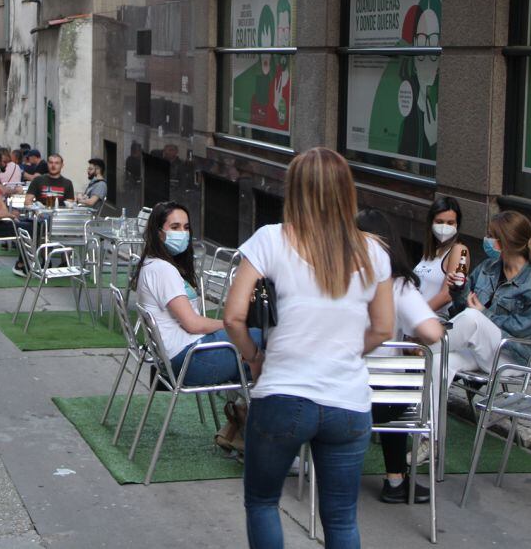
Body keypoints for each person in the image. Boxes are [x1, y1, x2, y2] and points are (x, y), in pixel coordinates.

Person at [223, 148, 394, 549]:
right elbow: (384, 328)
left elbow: (232, 318)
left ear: (294, 190)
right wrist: (346, 349)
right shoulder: (373, 251)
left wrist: (254, 358)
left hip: (283, 393)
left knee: (263, 502)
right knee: (341, 519)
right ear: (346, 191)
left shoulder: (270, 239)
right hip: (348, 402)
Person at [356, 209, 444, 505]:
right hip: (385, 401)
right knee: (396, 384)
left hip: (337, 393)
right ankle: (396, 480)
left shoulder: (335, 281)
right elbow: (433, 333)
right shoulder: (399, 285)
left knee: (386, 385)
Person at [132, 201, 262, 387]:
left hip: (179, 357)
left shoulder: (154, 264)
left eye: (186, 227)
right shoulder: (162, 270)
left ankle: (243, 406)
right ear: (158, 232)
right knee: (265, 339)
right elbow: (193, 324)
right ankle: (246, 407)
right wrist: (230, 325)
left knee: (258, 345)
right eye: (175, 227)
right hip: (189, 361)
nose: (183, 233)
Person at [439, 210, 531, 384]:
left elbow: (522, 329)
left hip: (516, 357)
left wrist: (484, 313)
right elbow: (460, 312)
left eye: (491, 236)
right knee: (441, 361)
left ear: (505, 242)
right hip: (484, 349)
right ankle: (429, 411)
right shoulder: (488, 268)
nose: (486, 239)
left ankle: (424, 348)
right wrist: (459, 289)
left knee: (473, 317)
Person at [414, 197, 470, 318]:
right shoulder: (431, 250)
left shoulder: (459, 250)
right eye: (439, 222)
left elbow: (447, 294)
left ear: (457, 225)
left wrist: (416, 316)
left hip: (433, 321)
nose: (444, 227)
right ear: (431, 222)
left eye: (450, 223)